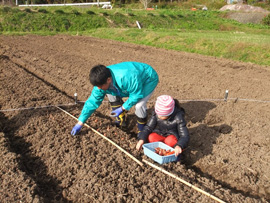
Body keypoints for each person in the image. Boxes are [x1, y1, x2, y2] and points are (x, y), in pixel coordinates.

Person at [71, 61, 159, 135]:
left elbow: (136, 95)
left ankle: (142, 130)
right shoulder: (101, 82)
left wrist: (122, 108)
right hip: (128, 83)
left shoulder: (126, 77)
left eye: (100, 86)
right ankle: (121, 119)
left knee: (139, 105)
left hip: (147, 79)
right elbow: (92, 102)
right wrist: (80, 122)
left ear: (108, 80)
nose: (98, 88)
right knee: (109, 92)